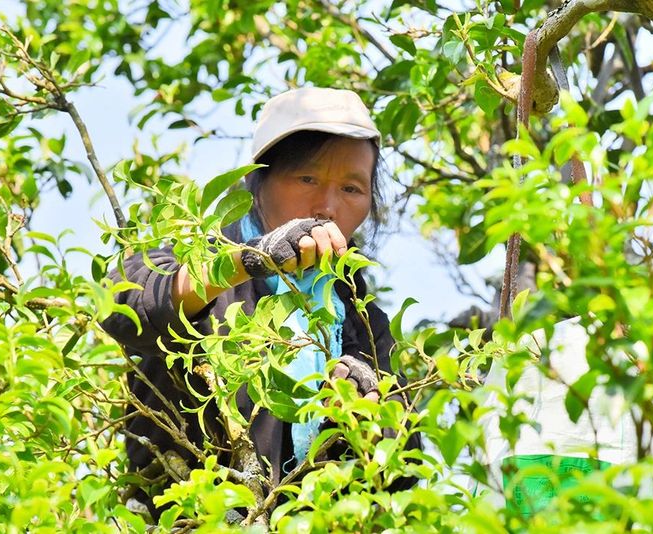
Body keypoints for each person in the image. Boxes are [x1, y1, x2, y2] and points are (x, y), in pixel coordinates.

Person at [100, 87, 421, 517]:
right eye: (307, 178)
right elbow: (123, 302)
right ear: (259, 180)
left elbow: (403, 466)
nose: (328, 206)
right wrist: (252, 259)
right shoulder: (202, 261)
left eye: (351, 188)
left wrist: (366, 409)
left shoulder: (361, 319)